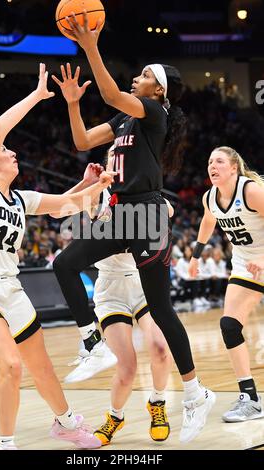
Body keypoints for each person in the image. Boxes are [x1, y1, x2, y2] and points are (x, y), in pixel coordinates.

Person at [52, 12, 215, 443]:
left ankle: (196, 394)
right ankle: (92, 342)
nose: (136, 78)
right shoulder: (127, 120)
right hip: (122, 213)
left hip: (148, 215)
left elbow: (107, 91)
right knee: (65, 263)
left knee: (161, 309)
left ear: (158, 90)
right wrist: (71, 103)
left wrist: (90, 46)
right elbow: (83, 141)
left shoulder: (152, 112)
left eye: (144, 75)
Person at [0, 63, 114, 450]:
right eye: (5, 153)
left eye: (12, 152)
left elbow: (66, 206)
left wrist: (94, 185)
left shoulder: (21, 198)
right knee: (11, 365)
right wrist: (37, 95)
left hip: (11, 290)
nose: (12, 154)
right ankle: (5, 443)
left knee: (40, 365)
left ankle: (65, 423)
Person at [188, 146, 264, 422]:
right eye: (209, 161)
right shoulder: (210, 197)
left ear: (234, 167)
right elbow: (209, 221)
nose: (212, 165)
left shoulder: (251, 191)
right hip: (246, 264)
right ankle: (250, 398)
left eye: (219, 161)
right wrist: (196, 255)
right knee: (229, 326)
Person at [92, 194, 174, 446]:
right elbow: (61, 214)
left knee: (161, 348)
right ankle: (115, 416)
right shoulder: (92, 196)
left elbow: (169, 210)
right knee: (127, 368)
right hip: (110, 288)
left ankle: (157, 402)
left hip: (142, 280)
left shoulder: (141, 193)